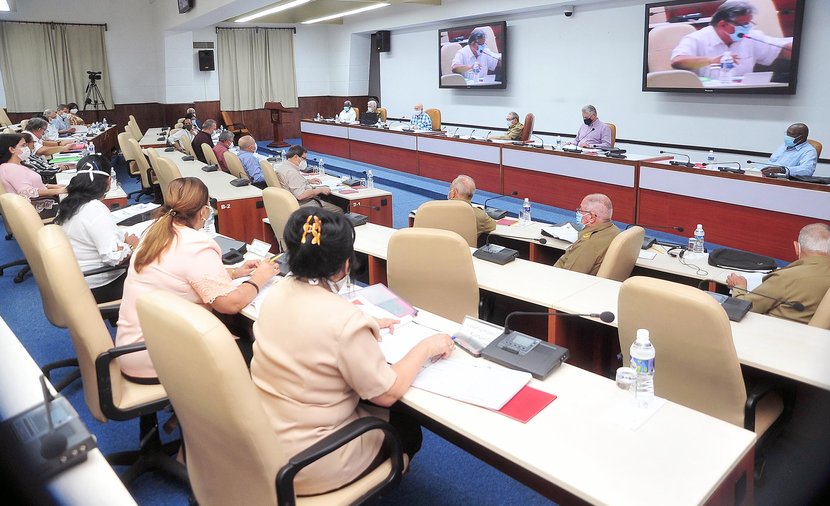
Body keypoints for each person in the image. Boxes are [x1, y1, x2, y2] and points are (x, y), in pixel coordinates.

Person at [250, 207, 454, 496]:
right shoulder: (345, 321)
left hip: (264, 442)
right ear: (346, 264)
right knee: (407, 426)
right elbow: (386, 394)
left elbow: (313, 325)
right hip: (311, 462)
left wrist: (364, 325)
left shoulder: (277, 292)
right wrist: (427, 346)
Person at [115, 177, 278, 382]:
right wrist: (260, 278)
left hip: (134, 347)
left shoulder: (155, 230)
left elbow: (180, 275)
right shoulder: (196, 244)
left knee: (234, 329)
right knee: (260, 352)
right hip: (158, 357)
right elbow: (230, 304)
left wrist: (235, 273)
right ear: (204, 211)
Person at [54, 155, 137, 303]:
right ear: (108, 181)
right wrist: (131, 245)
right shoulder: (95, 209)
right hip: (100, 285)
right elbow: (114, 258)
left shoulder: (67, 203)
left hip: (75, 280)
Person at [726, 223, 830, 324]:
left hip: (770, 335)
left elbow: (741, 308)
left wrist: (739, 287)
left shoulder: (787, 278)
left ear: (797, 247)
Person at [670, 0, 792, 78]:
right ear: (723, 24)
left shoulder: (750, 36)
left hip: (745, 97)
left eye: (749, 23)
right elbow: (678, 61)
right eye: (743, 24)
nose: (747, 28)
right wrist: (711, 60)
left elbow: (781, 48)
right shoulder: (697, 38)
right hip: (705, 99)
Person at [0, 133, 66, 216]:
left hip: (38, 206)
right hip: (36, 211)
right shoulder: (12, 169)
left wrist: (54, 186)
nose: (26, 148)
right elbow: (27, 192)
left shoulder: (16, 165)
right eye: (23, 145)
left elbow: (31, 184)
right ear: (12, 149)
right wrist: (59, 191)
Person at [554, 193, 620, 275]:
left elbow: (569, 276)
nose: (578, 212)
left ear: (591, 217)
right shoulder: (615, 231)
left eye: (580, 210)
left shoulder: (588, 244)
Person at [273, 145, 343, 213]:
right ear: (296, 157)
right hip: (302, 205)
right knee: (338, 210)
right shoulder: (292, 172)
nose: (305, 161)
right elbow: (301, 196)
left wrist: (307, 181)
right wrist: (320, 190)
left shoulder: (283, 166)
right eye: (304, 158)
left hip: (288, 204)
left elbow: (290, 182)